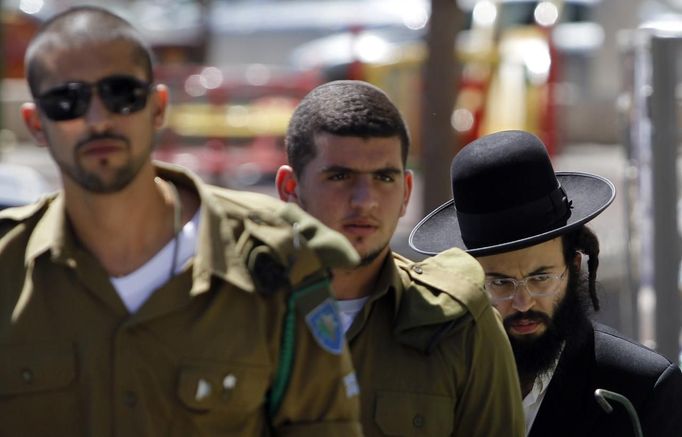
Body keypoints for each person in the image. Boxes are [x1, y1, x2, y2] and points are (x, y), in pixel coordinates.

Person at [0, 6, 363, 436]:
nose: (98, 119)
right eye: (67, 101)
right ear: (36, 124)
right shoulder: (8, 269)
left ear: (157, 108)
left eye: (121, 94)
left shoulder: (276, 261)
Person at [276, 80, 525, 436]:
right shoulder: (236, 310)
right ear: (290, 189)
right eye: (340, 176)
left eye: (383, 177)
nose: (365, 200)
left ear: (406, 191)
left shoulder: (457, 325)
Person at [410, 130, 682, 437]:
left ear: (574, 266)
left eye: (541, 278)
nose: (523, 302)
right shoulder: (429, 381)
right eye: (500, 283)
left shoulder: (640, 390)